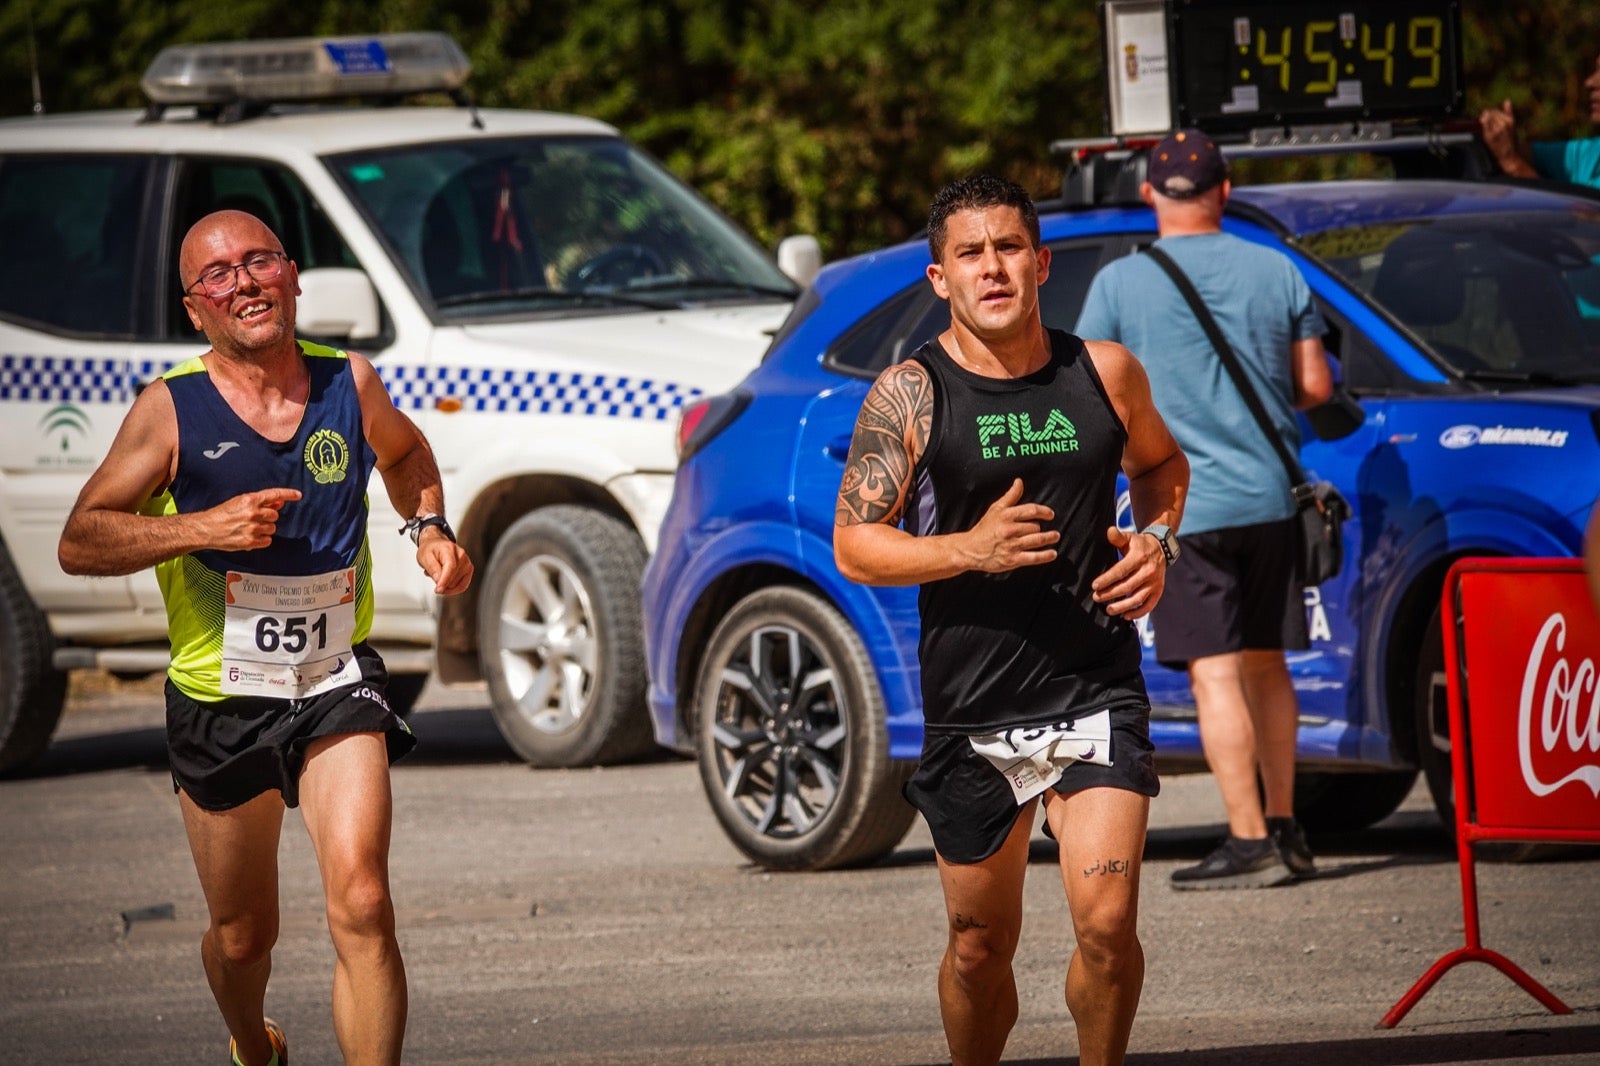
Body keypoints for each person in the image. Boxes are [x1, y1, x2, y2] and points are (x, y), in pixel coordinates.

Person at [58, 210, 473, 1066]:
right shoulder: (170, 409)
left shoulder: (346, 384)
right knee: (244, 938)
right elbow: (82, 538)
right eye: (218, 275)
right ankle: (253, 1042)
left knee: (362, 899)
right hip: (221, 698)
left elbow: (406, 454)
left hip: (334, 680)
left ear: (291, 276)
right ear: (196, 309)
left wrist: (429, 528)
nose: (244, 281)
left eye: (260, 261)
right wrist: (199, 526)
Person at [835, 175, 1189, 1066]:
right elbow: (855, 545)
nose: (991, 267)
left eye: (1007, 248)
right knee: (979, 948)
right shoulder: (910, 395)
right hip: (973, 703)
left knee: (1107, 926)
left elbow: (1163, 466)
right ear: (938, 277)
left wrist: (1156, 543)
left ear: (1041, 262)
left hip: (1094, 686)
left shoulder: (1103, 373)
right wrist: (970, 550)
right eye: (969, 253)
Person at [1075, 130, 1334, 891]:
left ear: (1151, 193)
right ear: (1224, 190)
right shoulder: (1276, 267)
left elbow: (1095, 390)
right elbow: (1314, 385)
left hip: (1188, 506)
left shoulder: (1123, 286)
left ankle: (1248, 837)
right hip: (1271, 498)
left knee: (1216, 676)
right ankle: (1288, 825)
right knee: (1268, 664)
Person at [1478, 49, 1600, 188]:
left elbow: (1562, 209)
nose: (1590, 82)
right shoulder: (1594, 152)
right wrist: (1498, 136)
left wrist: (1511, 163)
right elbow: (1527, 154)